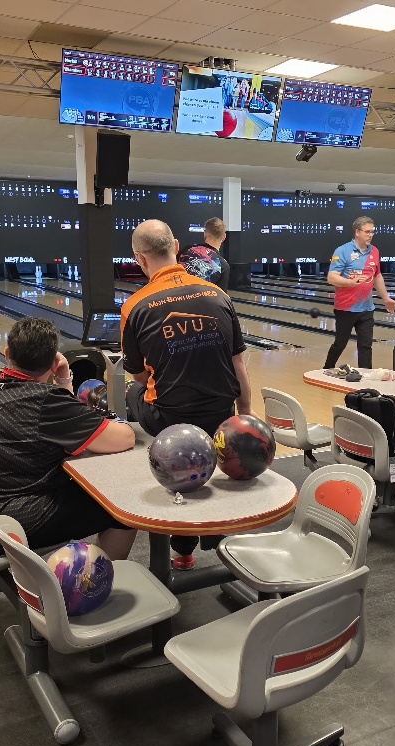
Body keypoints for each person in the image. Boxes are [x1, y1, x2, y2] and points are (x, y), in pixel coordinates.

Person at [0, 317, 137, 619]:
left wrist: (62, 388)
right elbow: (124, 438)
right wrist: (64, 380)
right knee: (122, 506)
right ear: (54, 359)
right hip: (4, 525)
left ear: (7, 354)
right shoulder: (45, 401)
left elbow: (62, 423)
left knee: (5, 474)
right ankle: (85, 591)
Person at [122, 219, 252, 570]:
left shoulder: (135, 306)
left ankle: (181, 548)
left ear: (139, 258)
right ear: (176, 246)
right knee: (208, 440)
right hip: (221, 414)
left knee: (130, 389)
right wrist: (244, 415)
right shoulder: (218, 295)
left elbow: (137, 373)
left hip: (169, 419)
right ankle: (219, 539)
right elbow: (238, 363)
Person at [324, 216, 395, 370]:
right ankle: (326, 368)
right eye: (367, 232)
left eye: (372, 232)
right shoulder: (342, 251)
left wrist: (386, 298)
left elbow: (377, 276)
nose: (371, 235)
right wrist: (351, 283)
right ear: (357, 232)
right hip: (346, 308)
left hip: (366, 308)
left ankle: (366, 376)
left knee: (365, 345)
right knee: (340, 343)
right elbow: (331, 278)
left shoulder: (374, 251)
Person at [178, 217, 230, 291]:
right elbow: (221, 295)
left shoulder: (187, 250)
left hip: (176, 295)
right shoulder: (223, 266)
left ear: (205, 233)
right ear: (224, 237)